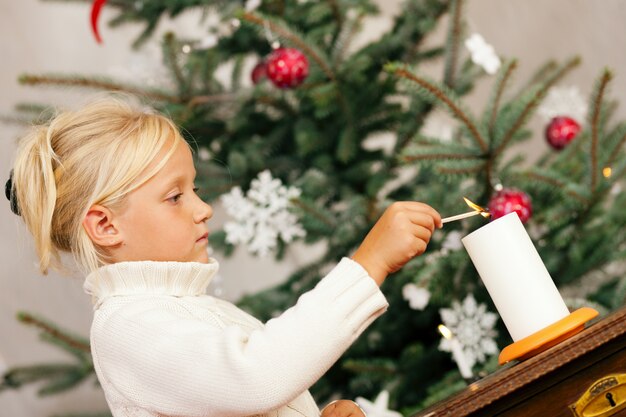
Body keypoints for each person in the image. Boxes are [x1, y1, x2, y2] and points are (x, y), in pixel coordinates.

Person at [6, 95, 442, 417]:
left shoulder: (197, 311)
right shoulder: (127, 327)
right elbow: (256, 375)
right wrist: (369, 265)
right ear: (105, 226)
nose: (203, 208)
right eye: (175, 196)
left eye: (194, 188)